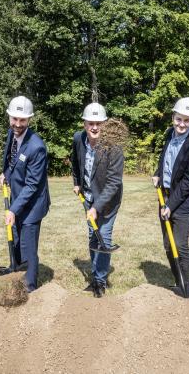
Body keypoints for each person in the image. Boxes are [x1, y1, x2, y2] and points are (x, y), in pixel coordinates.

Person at [152, 97, 189, 298]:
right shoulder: (168, 134)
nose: (181, 124)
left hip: (183, 201)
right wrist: (158, 172)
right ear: (173, 117)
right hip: (163, 196)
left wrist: (170, 205)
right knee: (168, 243)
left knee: (180, 243)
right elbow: (164, 158)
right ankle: (178, 281)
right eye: (178, 119)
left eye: (187, 120)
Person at [71, 102, 124, 298]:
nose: (94, 127)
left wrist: (97, 207)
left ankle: (100, 281)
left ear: (105, 124)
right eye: (90, 123)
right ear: (84, 123)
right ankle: (95, 276)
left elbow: (113, 182)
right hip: (88, 197)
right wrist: (77, 181)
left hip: (108, 201)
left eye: (98, 123)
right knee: (93, 237)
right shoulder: (79, 139)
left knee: (104, 236)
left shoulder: (114, 148)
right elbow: (75, 161)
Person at [0, 96, 50, 292]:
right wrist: (6, 173)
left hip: (33, 204)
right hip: (18, 199)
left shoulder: (37, 147)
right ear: (9, 117)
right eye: (15, 119)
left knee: (28, 247)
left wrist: (12, 209)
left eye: (22, 120)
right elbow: (12, 161)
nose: (18, 124)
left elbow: (32, 185)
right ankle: (17, 279)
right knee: (16, 240)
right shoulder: (12, 134)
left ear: (29, 120)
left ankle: (30, 288)